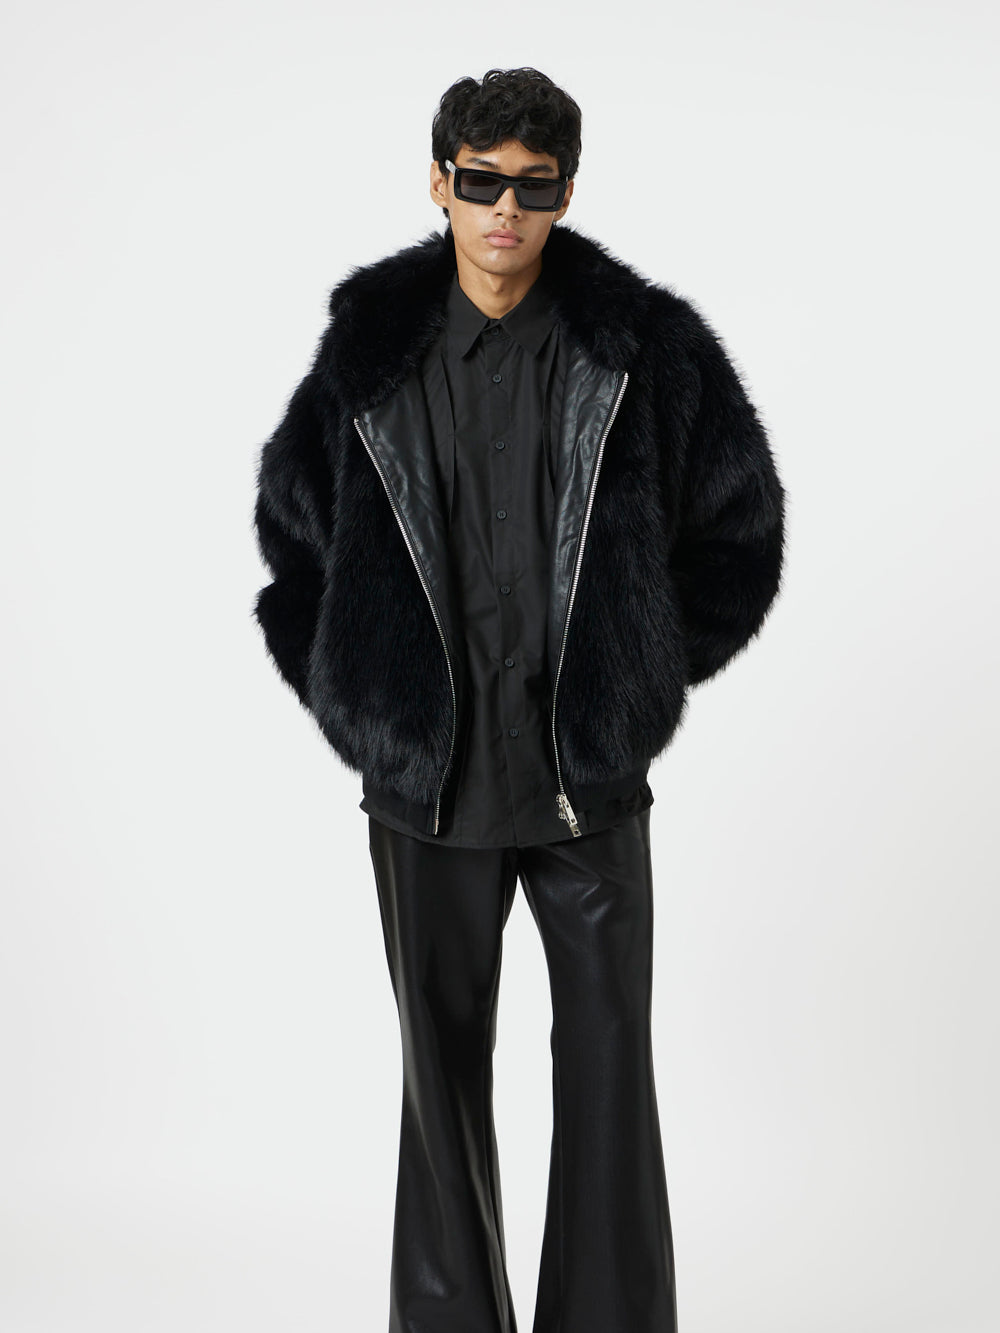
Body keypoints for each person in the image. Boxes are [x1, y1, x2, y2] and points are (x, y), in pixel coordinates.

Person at [252, 65, 786, 1333]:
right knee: (437, 1089)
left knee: (608, 1073)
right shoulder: (368, 360)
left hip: (582, 779)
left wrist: (636, 677)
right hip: (427, 785)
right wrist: (366, 703)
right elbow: (294, 544)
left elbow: (740, 532)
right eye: (481, 181)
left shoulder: (642, 352)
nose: (505, 209)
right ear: (439, 183)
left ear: (565, 194)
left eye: (532, 188)